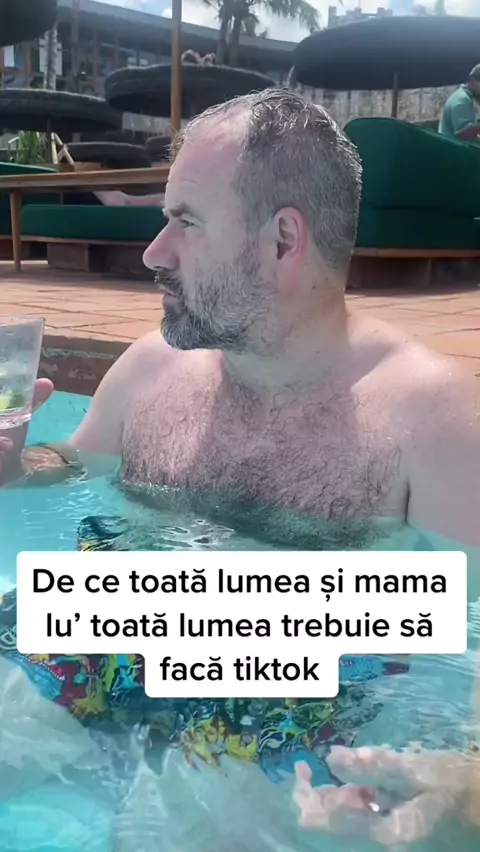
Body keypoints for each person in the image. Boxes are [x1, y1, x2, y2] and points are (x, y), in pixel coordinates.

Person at [1, 88, 480, 846]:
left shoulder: (430, 418)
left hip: (280, 701)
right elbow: (75, 460)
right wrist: (18, 464)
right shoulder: (152, 369)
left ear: (282, 240)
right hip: (99, 637)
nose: (155, 252)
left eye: (185, 221)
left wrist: (469, 774)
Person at [438, 65, 480, 139]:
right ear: (472, 80)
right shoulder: (462, 99)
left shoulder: (469, 97)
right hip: (451, 145)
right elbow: (462, 133)